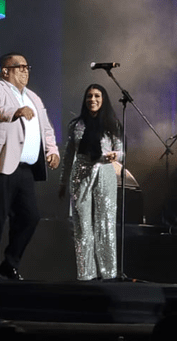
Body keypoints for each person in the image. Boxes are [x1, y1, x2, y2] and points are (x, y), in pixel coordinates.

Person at [0, 52, 60, 280]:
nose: (25, 71)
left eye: (27, 67)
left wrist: (52, 150)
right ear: (5, 71)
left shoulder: (34, 97)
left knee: (31, 217)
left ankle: (9, 263)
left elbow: (46, 128)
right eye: (20, 67)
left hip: (25, 168)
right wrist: (15, 112)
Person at [58, 84, 123, 281]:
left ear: (103, 99)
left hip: (104, 171)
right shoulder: (76, 125)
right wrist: (63, 182)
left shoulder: (112, 124)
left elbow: (121, 150)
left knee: (105, 224)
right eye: (89, 96)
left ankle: (108, 273)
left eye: (97, 96)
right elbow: (69, 154)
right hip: (81, 173)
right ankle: (86, 273)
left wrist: (116, 155)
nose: (92, 99)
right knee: (82, 226)